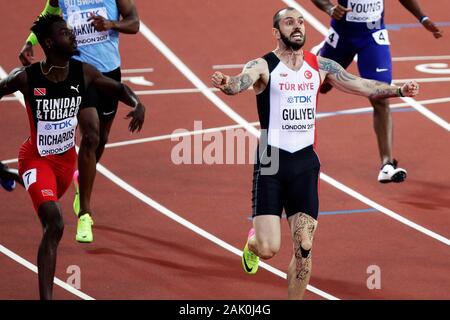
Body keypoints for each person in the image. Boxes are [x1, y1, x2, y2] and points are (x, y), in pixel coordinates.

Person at [211, 7, 419, 299]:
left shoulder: (322, 66)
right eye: (289, 22)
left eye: (300, 21)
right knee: (270, 249)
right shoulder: (262, 65)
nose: (297, 26)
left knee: (304, 247)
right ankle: (254, 244)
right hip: (271, 162)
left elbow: (361, 84)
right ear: (276, 31)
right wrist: (227, 85)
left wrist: (398, 90)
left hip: (306, 163)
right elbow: (238, 82)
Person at [1, 14, 145, 299]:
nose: (73, 34)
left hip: (66, 166)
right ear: (50, 42)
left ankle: (11, 177)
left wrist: (138, 104)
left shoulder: (84, 73)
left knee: (52, 202)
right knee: (54, 224)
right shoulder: (27, 78)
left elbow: (118, 89)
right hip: (36, 159)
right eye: (65, 32)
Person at [19, 0, 140, 243]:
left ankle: (81, 179)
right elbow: (49, 13)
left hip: (108, 71)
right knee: (92, 134)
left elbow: (134, 23)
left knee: (100, 140)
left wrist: (110, 23)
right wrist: (30, 41)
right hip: (77, 72)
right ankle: (85, 213)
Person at [310, 0, 443, 183]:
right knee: (323, 85)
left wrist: (423, 18)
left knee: (380, 96)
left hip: (373, 36)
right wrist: (329, 7)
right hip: (342, 36)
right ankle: (321, 52)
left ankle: (387, 165)